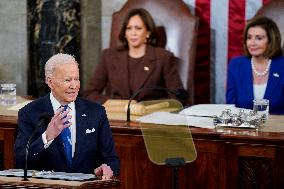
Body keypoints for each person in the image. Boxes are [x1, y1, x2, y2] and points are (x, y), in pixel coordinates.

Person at [14, 53, 119, 179]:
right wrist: (47, 136)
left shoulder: (96, 112)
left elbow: (111, 159)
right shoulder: (29, 113)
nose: (74, 86)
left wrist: (107, 168)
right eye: (67, 80)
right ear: (50, 82)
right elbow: (20, 161)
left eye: (77, 79)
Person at [83, 8, 185, 104]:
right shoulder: (109, 56)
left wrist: (149, 108)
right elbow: (89, 94)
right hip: (117, 117)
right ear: (125, 33)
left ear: (148, 33)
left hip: (150, 117)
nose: (133, 33)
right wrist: (118, 104)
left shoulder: (163, 57)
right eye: (129, 28)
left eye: (138, 28)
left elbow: (178, 97)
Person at [226, 16, 284, 114]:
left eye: (259, 38)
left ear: (271, 41)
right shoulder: (236, 65)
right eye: (249, 38)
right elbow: (230, 106)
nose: (252, 43)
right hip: (244, 127)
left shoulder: (281, 65)